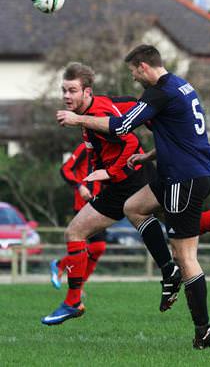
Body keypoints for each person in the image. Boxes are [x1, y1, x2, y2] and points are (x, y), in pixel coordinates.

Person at [56, 45, 210, 349]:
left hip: (183, 179)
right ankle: (172, 269)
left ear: (144, 67)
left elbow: (120, 126)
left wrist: (78, 119)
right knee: (134, 207)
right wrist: (147, 156)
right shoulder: (181, 85)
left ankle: (204, 330)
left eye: (133, 72)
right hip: (179, 172)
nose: (133, 78)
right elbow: (180, 134)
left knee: (186, 256)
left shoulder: (159, 92)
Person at [41, 62, 181, 326]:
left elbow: (128, 140)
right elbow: (129, 105)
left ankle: (73, 302)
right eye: (64, 91)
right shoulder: (97, 107)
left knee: (75, 232)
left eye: (72, 90)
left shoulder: (96, 111)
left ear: (87, 92)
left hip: (129, 180)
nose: (66, 96)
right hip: (128, 179)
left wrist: (110, 173)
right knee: (180, 222)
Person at [50, 142, 106, 290]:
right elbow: (65, 170)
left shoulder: (108, 150)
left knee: (98, 247)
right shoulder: (85, 148)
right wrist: (79, 186)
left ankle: (61, 266)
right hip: (83, 206)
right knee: (88, 247)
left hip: (100, 206)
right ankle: (75, 287)